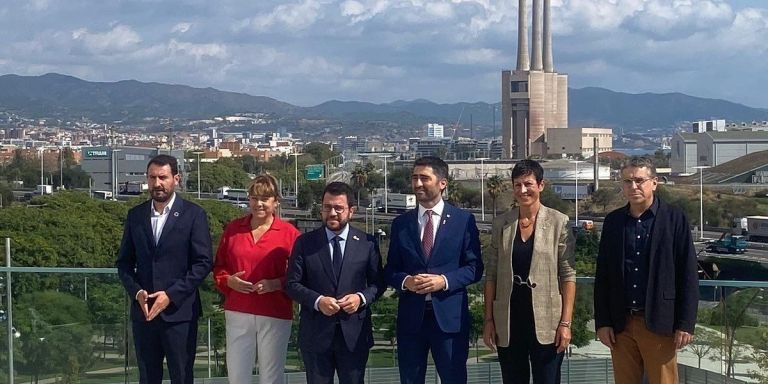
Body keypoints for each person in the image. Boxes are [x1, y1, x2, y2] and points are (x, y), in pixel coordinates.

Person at [594, 156, 698, 384]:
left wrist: (685, 323)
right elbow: (603, 276)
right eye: (627, 182)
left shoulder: (674, 219)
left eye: (639, 180)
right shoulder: (614, 222)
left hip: (660, 322)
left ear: (654, 182)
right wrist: (602, 322)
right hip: (621, 324)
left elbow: (688, 275)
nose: (633, 187)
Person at [383, 156, 483, 384]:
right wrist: (405, 281)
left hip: (449, 320)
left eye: (424, 178)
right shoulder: (401, 224)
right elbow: (390, 270)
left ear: (442, 183)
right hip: (411, 319)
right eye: (414, 178)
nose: (417, 184)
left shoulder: (463, 221)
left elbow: (475, 267)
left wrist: (444, 281)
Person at [116, 154, 213, 384]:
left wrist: (170, 296)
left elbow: (203, 263)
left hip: (179, 314)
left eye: (163, 177)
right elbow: (124, 263)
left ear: (176, 179)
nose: (157, 183)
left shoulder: (194, 215)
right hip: (145, 313)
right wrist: (137, 292)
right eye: (152, 178)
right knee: (148, 377)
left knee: (181, 376)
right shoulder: (135, 216)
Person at [482, 159, 576, 384]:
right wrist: (488, 319)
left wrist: (565, 323)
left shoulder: (558, 222)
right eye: (517, 185)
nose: (523, 190)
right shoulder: (501, 224)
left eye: (528, 184)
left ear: (541, 185)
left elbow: (568, 275)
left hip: (547, 320)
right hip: (509, 319)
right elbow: (491, 274)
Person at [285, 181, 384, 384]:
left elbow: (378, 283)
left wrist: (361, 298)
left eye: (339, 208)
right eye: (327, 207)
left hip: (354, 335)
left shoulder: (367, 243)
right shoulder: (305, 243)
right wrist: (318, 301)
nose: (332, 213)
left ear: (351, 211)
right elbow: (292, 284)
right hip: (315, 334)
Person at [213, 174, 300, 384]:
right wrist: (228, 281)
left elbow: (299, 275)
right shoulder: (233, 229)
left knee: (271, 376)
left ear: (276, 201)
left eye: (265, 198)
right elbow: (219, 267)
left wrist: (276, 284)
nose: (258, 203)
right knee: (237, 376)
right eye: (253, 198)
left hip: (274, 313)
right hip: (238, 311)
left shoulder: (290, 234)